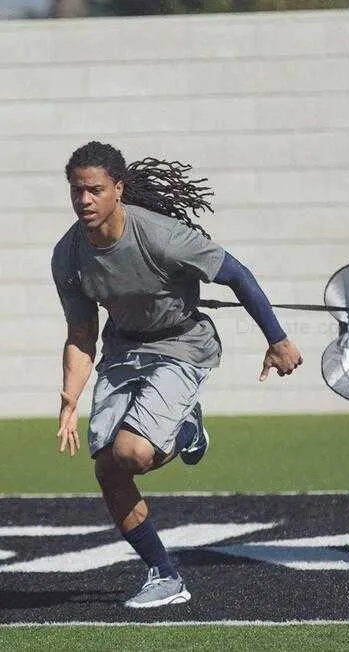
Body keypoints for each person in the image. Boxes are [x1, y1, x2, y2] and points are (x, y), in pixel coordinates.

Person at [51, 141, 303, 608]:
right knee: (108, 467)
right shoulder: (68, 255)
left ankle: (185, 427)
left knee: (134, 453)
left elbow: (238, 275)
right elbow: (82, 332)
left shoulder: (160, 236)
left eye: (95, 190)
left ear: (118, 190)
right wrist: (69, 398)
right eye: (76, 191)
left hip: (181, 344)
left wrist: (278, 339)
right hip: (124, 348)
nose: (84, 200)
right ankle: (163, 574)